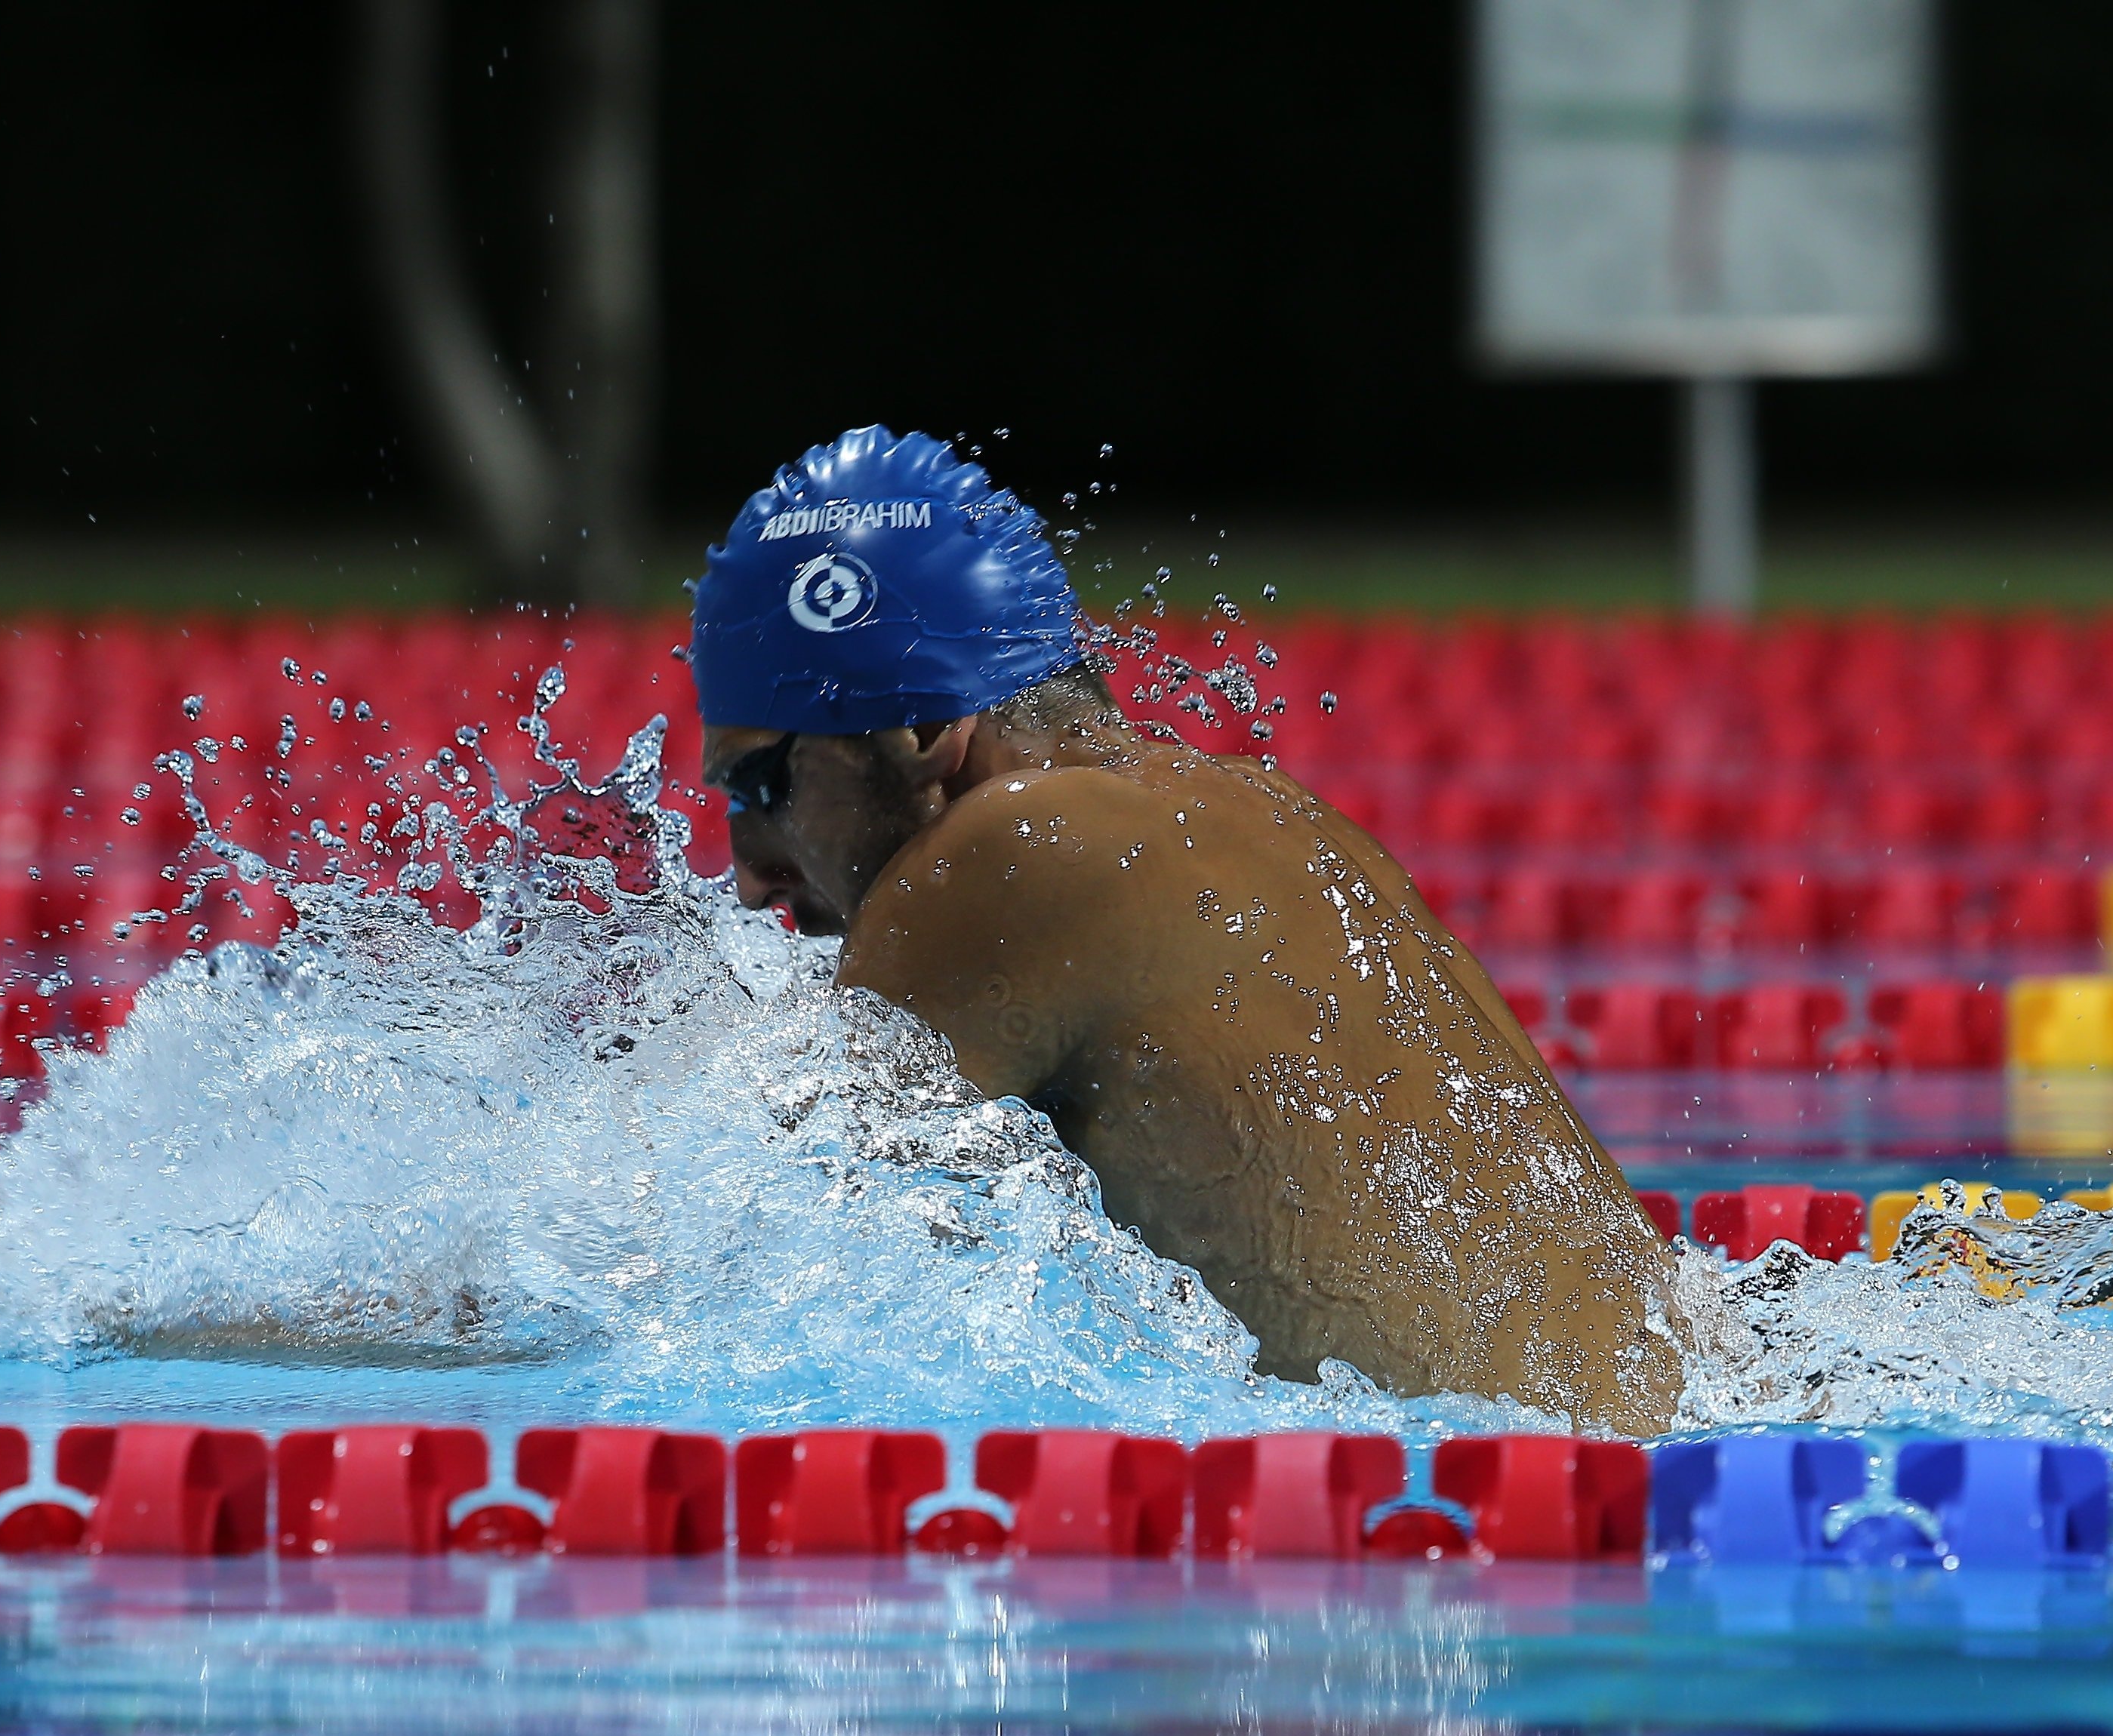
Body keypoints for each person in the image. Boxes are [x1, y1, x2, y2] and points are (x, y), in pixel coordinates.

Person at [688, 427, 1683, 1434]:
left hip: (1525, 1511)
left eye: (762, 783)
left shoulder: (1010, 851)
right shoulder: (1265, 811)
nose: (747, 869)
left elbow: (748, 1280)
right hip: (1678, 1444)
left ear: (918, 734)